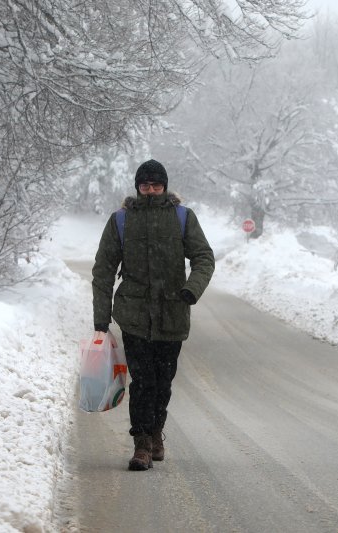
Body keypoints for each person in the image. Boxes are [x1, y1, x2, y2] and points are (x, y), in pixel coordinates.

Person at [91, 159, 215, 471]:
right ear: (137, 186)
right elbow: (104, 270)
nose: (150, 190)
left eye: (156, 185)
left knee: (163, 382)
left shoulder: (182, 218)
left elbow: (204, 257)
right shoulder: (122, 220)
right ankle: (142, 443)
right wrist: (101, 319)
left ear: (164, 186)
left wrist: (191, 289)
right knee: (143, 381)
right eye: (144, 185)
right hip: (133, 315)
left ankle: (156, 431)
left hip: (173, 313)